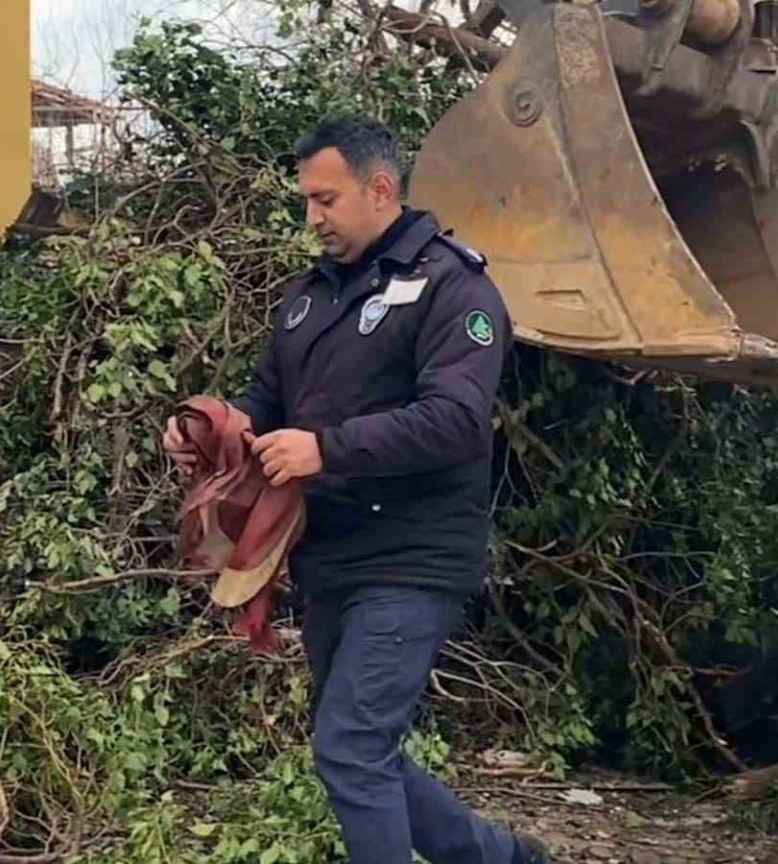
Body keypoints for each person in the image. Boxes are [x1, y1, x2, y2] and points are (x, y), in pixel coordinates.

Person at [162, 115, 551, 864]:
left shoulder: (454, 288)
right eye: (307, 201)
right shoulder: (311, 298)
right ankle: (506, 859)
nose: (313, 218)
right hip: (330, 556)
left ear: (380, 190)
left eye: (326, 199)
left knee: (350, 746)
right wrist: (210, 430)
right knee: (362, 750)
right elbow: (267, 401)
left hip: (412, 557)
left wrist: (326, 450)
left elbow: (456, 421)